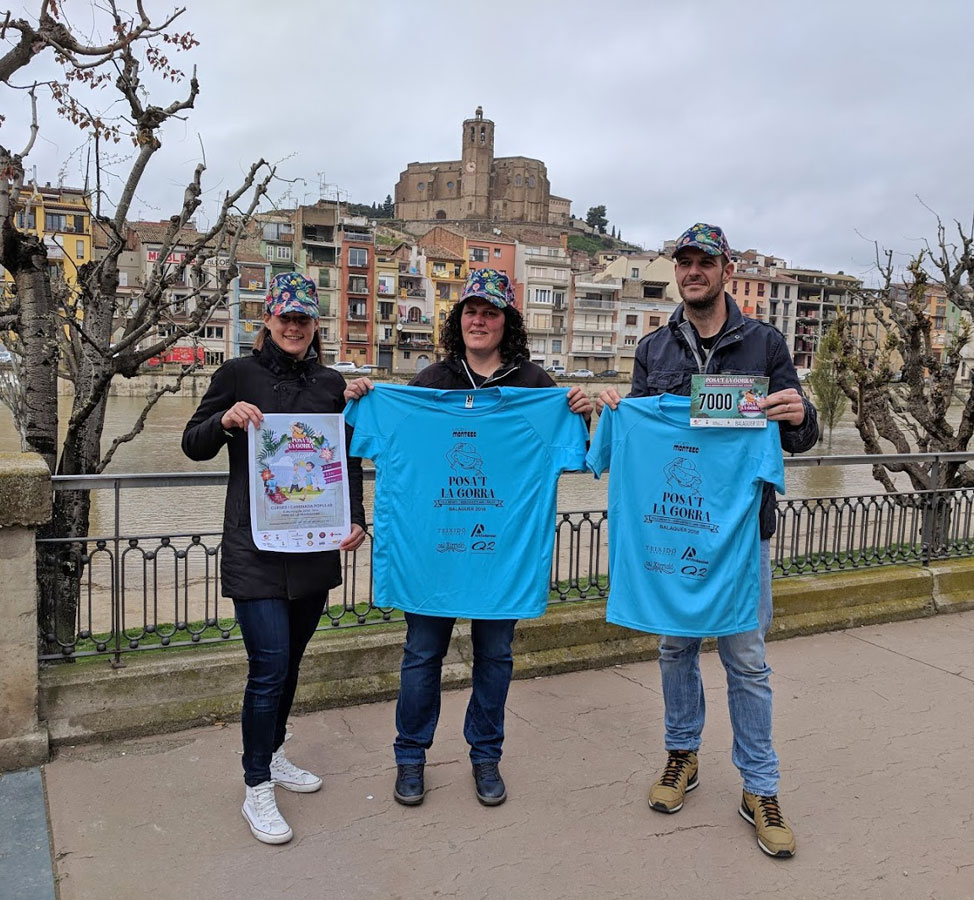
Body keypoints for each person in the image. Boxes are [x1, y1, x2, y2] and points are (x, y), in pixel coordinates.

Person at [597, 223, 818, 858]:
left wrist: (800, 416)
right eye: (684, 262)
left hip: (742, 538)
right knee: (674, 649)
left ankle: (760, 787)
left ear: (726, 270)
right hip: (673, 534)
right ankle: (681, 755)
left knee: (746, 662)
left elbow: (799, 437)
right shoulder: (653, 348)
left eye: (704, 262)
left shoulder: (765, 343)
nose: (692, 271)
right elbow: (644, 437)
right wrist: (613, 410)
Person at [344, 267, 592, 808]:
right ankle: (410, 756)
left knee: (495, 657)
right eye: (471, 312)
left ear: (507, 322)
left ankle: (485, 756)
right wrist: (364, 397)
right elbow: (366, 440)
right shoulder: (428, 383)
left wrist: (581, 415)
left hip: (499, 555)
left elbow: (575, 458)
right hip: (431, 554)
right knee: (421, 655)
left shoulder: (536, 388)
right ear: (459, 320)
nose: (479, 321)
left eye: (490, 313)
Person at [182, 272, 366, 845]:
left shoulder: (332, 384)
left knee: (291, 664)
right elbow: (192, 443)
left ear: (314, 325)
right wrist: (224, 420)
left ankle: (275, 751)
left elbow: (347, 459)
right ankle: (256, 784)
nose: (294, 326)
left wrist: (356, 518)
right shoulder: (237, 375)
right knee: (268, 667)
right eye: (285, 317)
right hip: (255, 549)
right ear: (267, 320)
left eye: (303, 318)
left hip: (311, 549)